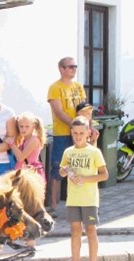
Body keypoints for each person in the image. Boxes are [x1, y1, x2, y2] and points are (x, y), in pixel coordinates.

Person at [57, 116, 108, 261]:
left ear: (88, 132)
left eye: (81, 132)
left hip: (89, 199)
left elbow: (104, 175)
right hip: (73, 199)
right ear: (71, 133)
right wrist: (64, 171)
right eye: (75, 133)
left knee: (91, 231)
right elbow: (61, 170)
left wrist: (85, 179)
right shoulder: (68, 151)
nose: (78, 136)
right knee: (75, 231)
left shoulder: (94, 152)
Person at [47, 56, 86, 218]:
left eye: (75, 66)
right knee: (58, 168)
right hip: (63, 134)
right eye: (70, 67)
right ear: (61, 69)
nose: (73, 69)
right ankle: (53, 206)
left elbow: (84, 108)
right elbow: (59, 111)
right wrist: (75, 125)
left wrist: (87, 127)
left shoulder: (78, 87)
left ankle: (81, 204)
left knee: (82, 167)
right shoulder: (55, 88)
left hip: (79, 133)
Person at [11, 111, 46, 181]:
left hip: (30, 173)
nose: (24, 129)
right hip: (23, 172)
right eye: (21, 126)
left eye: (27, 126)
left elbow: (21, 157)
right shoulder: (24, 139)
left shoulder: (34, 139)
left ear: (33, 126)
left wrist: (11, 144)